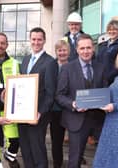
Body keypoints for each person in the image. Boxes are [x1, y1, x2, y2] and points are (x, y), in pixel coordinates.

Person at [56, 34, 107, 168]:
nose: (86, 51)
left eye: (88, 48)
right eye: (82, 48)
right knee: (75, 159)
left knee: (107, 154)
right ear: (77, 50)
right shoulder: (67, 68)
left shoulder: (101, 67)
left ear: (93, 49)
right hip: (76, 120)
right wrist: (73, 104)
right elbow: (60, 95)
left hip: (98, 119)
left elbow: (105, 90)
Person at [19, 27, 58, 168]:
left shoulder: (50, 62)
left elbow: (50, 92)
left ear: (44, 41)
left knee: (38, 151)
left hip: (38, 115)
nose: (36, 42)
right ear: (30, 40)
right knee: (25, 150)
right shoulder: (25, 60)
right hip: (22, 114)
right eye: (33, 39)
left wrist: (40, 113)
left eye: (39, 39)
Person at [0, 32, 20, 168]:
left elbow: (21, 85)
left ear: (7, 45)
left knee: (14, 142)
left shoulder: (14, 63)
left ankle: (10, 156)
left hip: (10, 112)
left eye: (2, 43)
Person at [50, 39, 69, 168]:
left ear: (69, 51)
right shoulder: (51, 65)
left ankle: (77, 159)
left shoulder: (74, 65)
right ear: (56, 52)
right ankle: (58, 164)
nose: (62, 53)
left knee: (74, 138)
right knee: (56, 140)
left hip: (70, 108)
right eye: (59, 50)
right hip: (55, 109)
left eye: (64, 50)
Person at [96, 20, 118, 84]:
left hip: (114, 80)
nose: (111, 32)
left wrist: (108, 77)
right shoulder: (102, 45)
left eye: (114, 29)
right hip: (100, 80)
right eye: (109, 29)